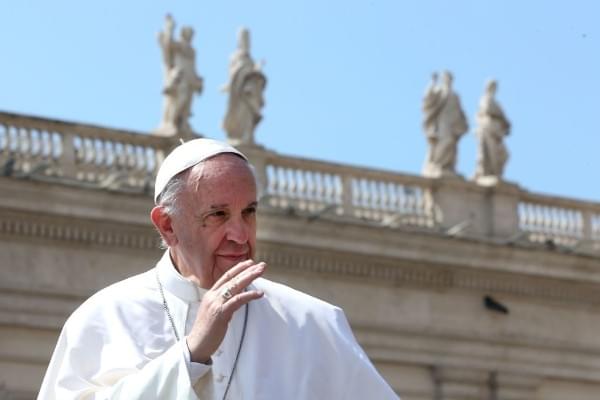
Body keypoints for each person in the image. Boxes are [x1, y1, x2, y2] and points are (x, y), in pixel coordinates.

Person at [38, 138, 399, 399]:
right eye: (218, 215)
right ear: (167, 225)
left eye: (249, 212)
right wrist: (191, 353)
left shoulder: (315, 323)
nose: (240, 235)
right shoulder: (103, 319)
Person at [157, 15, 204, 137]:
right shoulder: (177, 45)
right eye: (189, 33)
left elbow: (193, 67)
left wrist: (197, 79)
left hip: (189, 79)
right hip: (179, 77)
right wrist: (169, 28)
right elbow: (167, 46)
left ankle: (182, 123)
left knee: (187, 103)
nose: (190, 36)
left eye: (191, 34)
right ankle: (172, 122)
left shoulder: (192, 51)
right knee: (180, 99)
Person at [222, 28, 266, 145]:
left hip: (249, 92)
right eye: (244, 39)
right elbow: (233, 73)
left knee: (248, 115)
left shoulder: (250, 59)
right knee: (240, 114)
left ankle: (247, 136)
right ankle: (240, 136)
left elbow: (252, 73)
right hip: (238, 92)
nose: (246, 42)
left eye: (248, 39)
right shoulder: (235, 57)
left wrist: (257, 70)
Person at [422, 71, 468, 178]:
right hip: (442, 122)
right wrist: (432, 82)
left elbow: (460, 111)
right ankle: (437, 165)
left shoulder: (455, 95)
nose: (448, 80)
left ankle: (447, 168)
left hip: (453, 123)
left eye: (450, 78)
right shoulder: (440, 91)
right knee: (444, 142)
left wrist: (464, 123)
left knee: (452, 145)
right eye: (446, 78)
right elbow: (428, 97)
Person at [473, 79, 510, 181]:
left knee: (504, 155)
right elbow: (487, 109)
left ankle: (494, 173)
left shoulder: (495, 102)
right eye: (492, 86)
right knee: (491, 153)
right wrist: (501, 116)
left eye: (495, 87)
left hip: (497, 132)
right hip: (489, 129)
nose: (494, 89)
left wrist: (505, 122)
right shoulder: (485, 99)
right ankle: (489, 173)